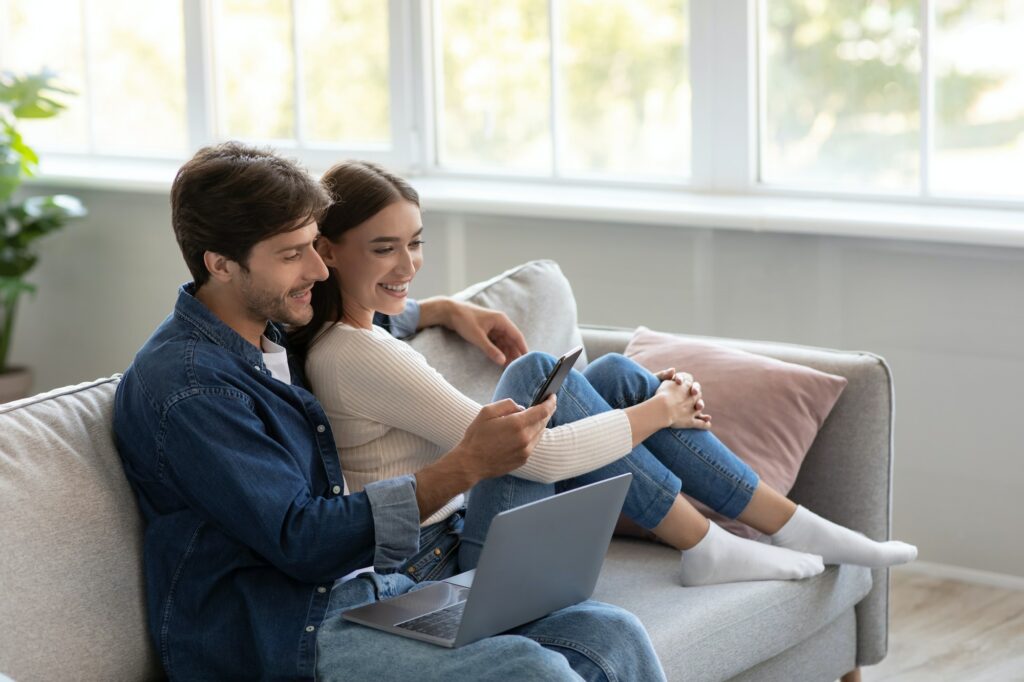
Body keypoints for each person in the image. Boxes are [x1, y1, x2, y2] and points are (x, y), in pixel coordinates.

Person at [112, 142, 666, 682]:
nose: (319, 269)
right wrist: (464, 465)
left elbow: (353, 312)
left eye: (313, 245)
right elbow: (302, 540)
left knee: (611, 635)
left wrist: (441, 310)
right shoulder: (193, 391)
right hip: (290, 633)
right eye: (292, 254)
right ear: (221, 264)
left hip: (375, 590)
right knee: (528, 671)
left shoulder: (270, 325)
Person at [295, 160, 918, 590]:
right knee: (542, 371)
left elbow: (393, 318)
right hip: (448, 565)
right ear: (326, 251)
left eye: (416, 242)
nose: (410, 264)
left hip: (462, 534)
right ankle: (712, 542)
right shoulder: (356, 354)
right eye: (385, 248)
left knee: (617, 372)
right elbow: (528, 458)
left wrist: (446, 309)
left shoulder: (357, 329)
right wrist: (661, 411)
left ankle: (785, 526)